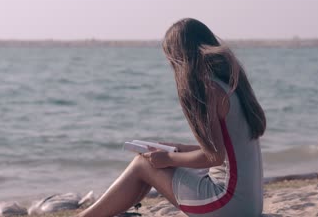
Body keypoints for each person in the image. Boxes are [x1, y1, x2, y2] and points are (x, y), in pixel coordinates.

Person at [78, 18, 266, 217]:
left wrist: (167, 158)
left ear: (178, 57)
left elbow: (214, 157)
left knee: (143, 164)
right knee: (150, 162)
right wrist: (177, 150)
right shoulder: (230, 84)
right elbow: (227, 151)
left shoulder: (205, 87)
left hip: (227, 205)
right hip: (250, 205)